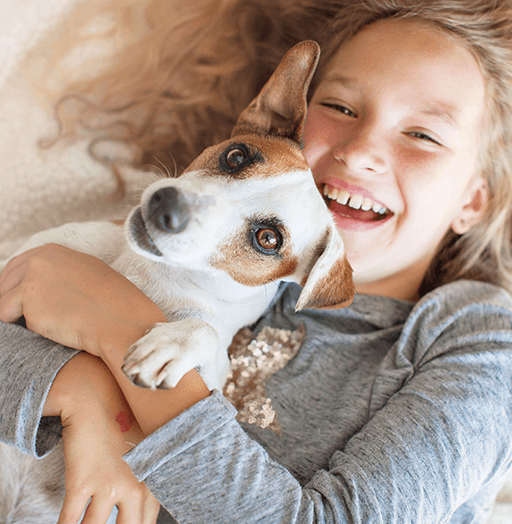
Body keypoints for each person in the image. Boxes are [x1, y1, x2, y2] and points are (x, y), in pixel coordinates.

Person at [1, 0, 512, 523]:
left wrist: (113, 331)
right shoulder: (186, 234)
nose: (359, 152)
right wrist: (81, 395)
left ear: (475, 200)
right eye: (340, 107)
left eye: (423, 135)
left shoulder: (477, 333)